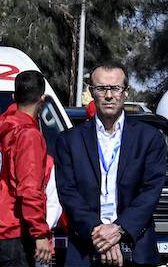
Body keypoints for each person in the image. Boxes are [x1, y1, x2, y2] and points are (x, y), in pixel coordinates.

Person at [54, 60, 167, 267]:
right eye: (101, 88)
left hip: (137, 249)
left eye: (115, 88)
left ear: (125, 92)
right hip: (85, 251)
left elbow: (151, 192)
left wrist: (119, 229)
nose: (108, 95)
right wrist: (99, 233)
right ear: (91, 91)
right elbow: (67, 192)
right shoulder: (69, 141)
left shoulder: (150, 138)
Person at [0, 70, 53, 267]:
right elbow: (29, 188)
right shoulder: (28, 134)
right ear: (42, 99)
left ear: (13, 97)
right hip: (14, 229)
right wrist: (40, 233)